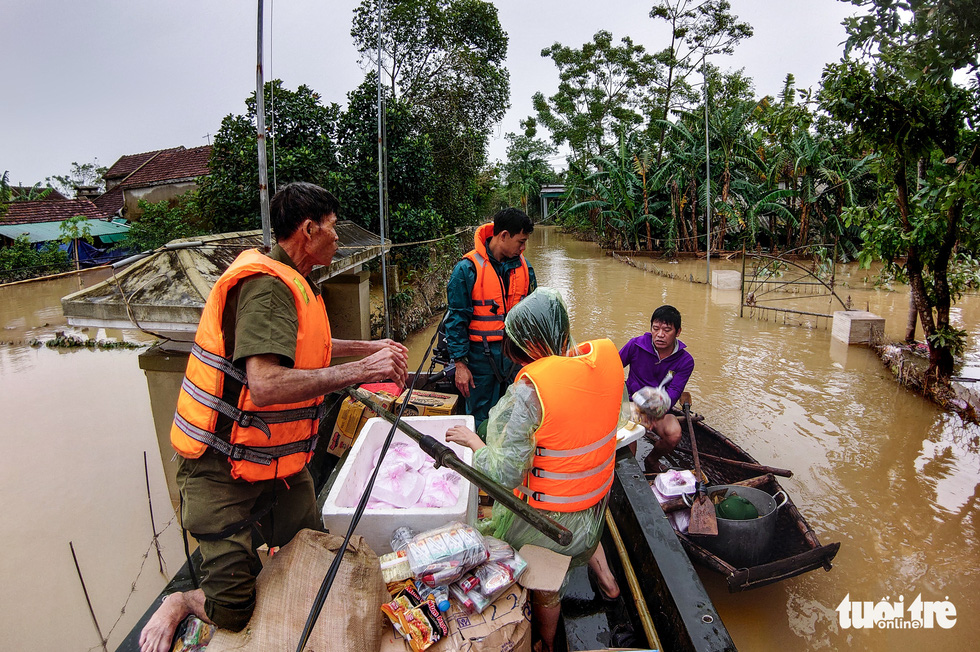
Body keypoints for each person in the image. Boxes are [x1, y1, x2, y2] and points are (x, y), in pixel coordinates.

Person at [139, 182, 409, 652]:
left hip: (278, 464)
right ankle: (182, 599)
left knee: (316, 554)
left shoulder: (296, 282)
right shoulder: (268, 288)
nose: (338, 239)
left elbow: (310, 351)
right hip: (221, 468)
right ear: (308, 230)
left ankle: (261, 556)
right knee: (233, 610)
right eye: (332, 228)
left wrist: (372, 347)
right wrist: (364, 370)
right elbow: (264, 384)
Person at [445, 288, 624, 652]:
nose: (514, 362)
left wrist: (474, 442)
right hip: (592, 510)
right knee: (579, 520)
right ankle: (609, 584)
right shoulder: (601, 362)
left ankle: (545, 641)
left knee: (545, 588)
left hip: (550, 528)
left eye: (515, 353)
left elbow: (502, 476)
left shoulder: (532, 392)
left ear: (529, 342)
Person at [444, 208, 536, 432]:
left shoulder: (525, 268)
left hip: (515, 357)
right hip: (480, 359)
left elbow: (535, 315)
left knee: (516, 415)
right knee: (479, 415)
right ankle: (479, 462)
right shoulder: (466, 270)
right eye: (520, 241)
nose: (523, 248)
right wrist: (460, 365)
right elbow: (456, 320)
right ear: (503, 235)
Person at [619, 305, 695, 460]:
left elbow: (674, 392)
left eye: (667, 330)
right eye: (656, 329)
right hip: (630, 405)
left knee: (673, 433)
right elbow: (613, 369)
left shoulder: (685, 361)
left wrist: (654, 412)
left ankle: (652, 460)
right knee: (629, 448)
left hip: (658, 409)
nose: (660, 335)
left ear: (678, 332)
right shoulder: (635, 345)